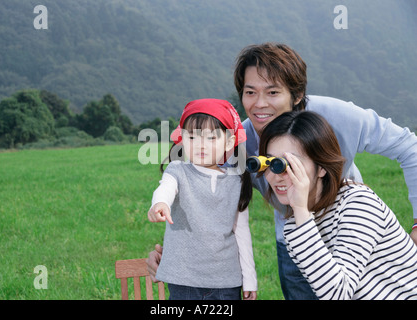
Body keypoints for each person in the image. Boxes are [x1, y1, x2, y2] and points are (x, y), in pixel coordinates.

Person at [147, 43, 417, 300]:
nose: (259, 104)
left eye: (273, 92)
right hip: (293, 233)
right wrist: (171, 251)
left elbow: (409, 147)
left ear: (298, 95)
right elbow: (200, 189)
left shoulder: (340, 119)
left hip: (347, 227)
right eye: (250, 92)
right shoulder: (236, 143)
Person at [259, 110, 417, 299]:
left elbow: (338, 294)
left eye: (289, 164)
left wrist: (300, 211)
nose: (276, 176)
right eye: (269, 163)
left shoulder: (357, 203)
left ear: (322, 167)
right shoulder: (295, 226)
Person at [147, 99, 257, 300]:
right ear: (182, 139)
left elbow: (241, 232)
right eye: (192, 137)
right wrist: (160, 204)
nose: (201, 145)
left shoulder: (236, 179)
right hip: (184, 279)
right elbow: (166, 188)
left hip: (226, 281)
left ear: (230, 141)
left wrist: (249, 278)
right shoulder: (178, 170)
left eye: (212, 138)